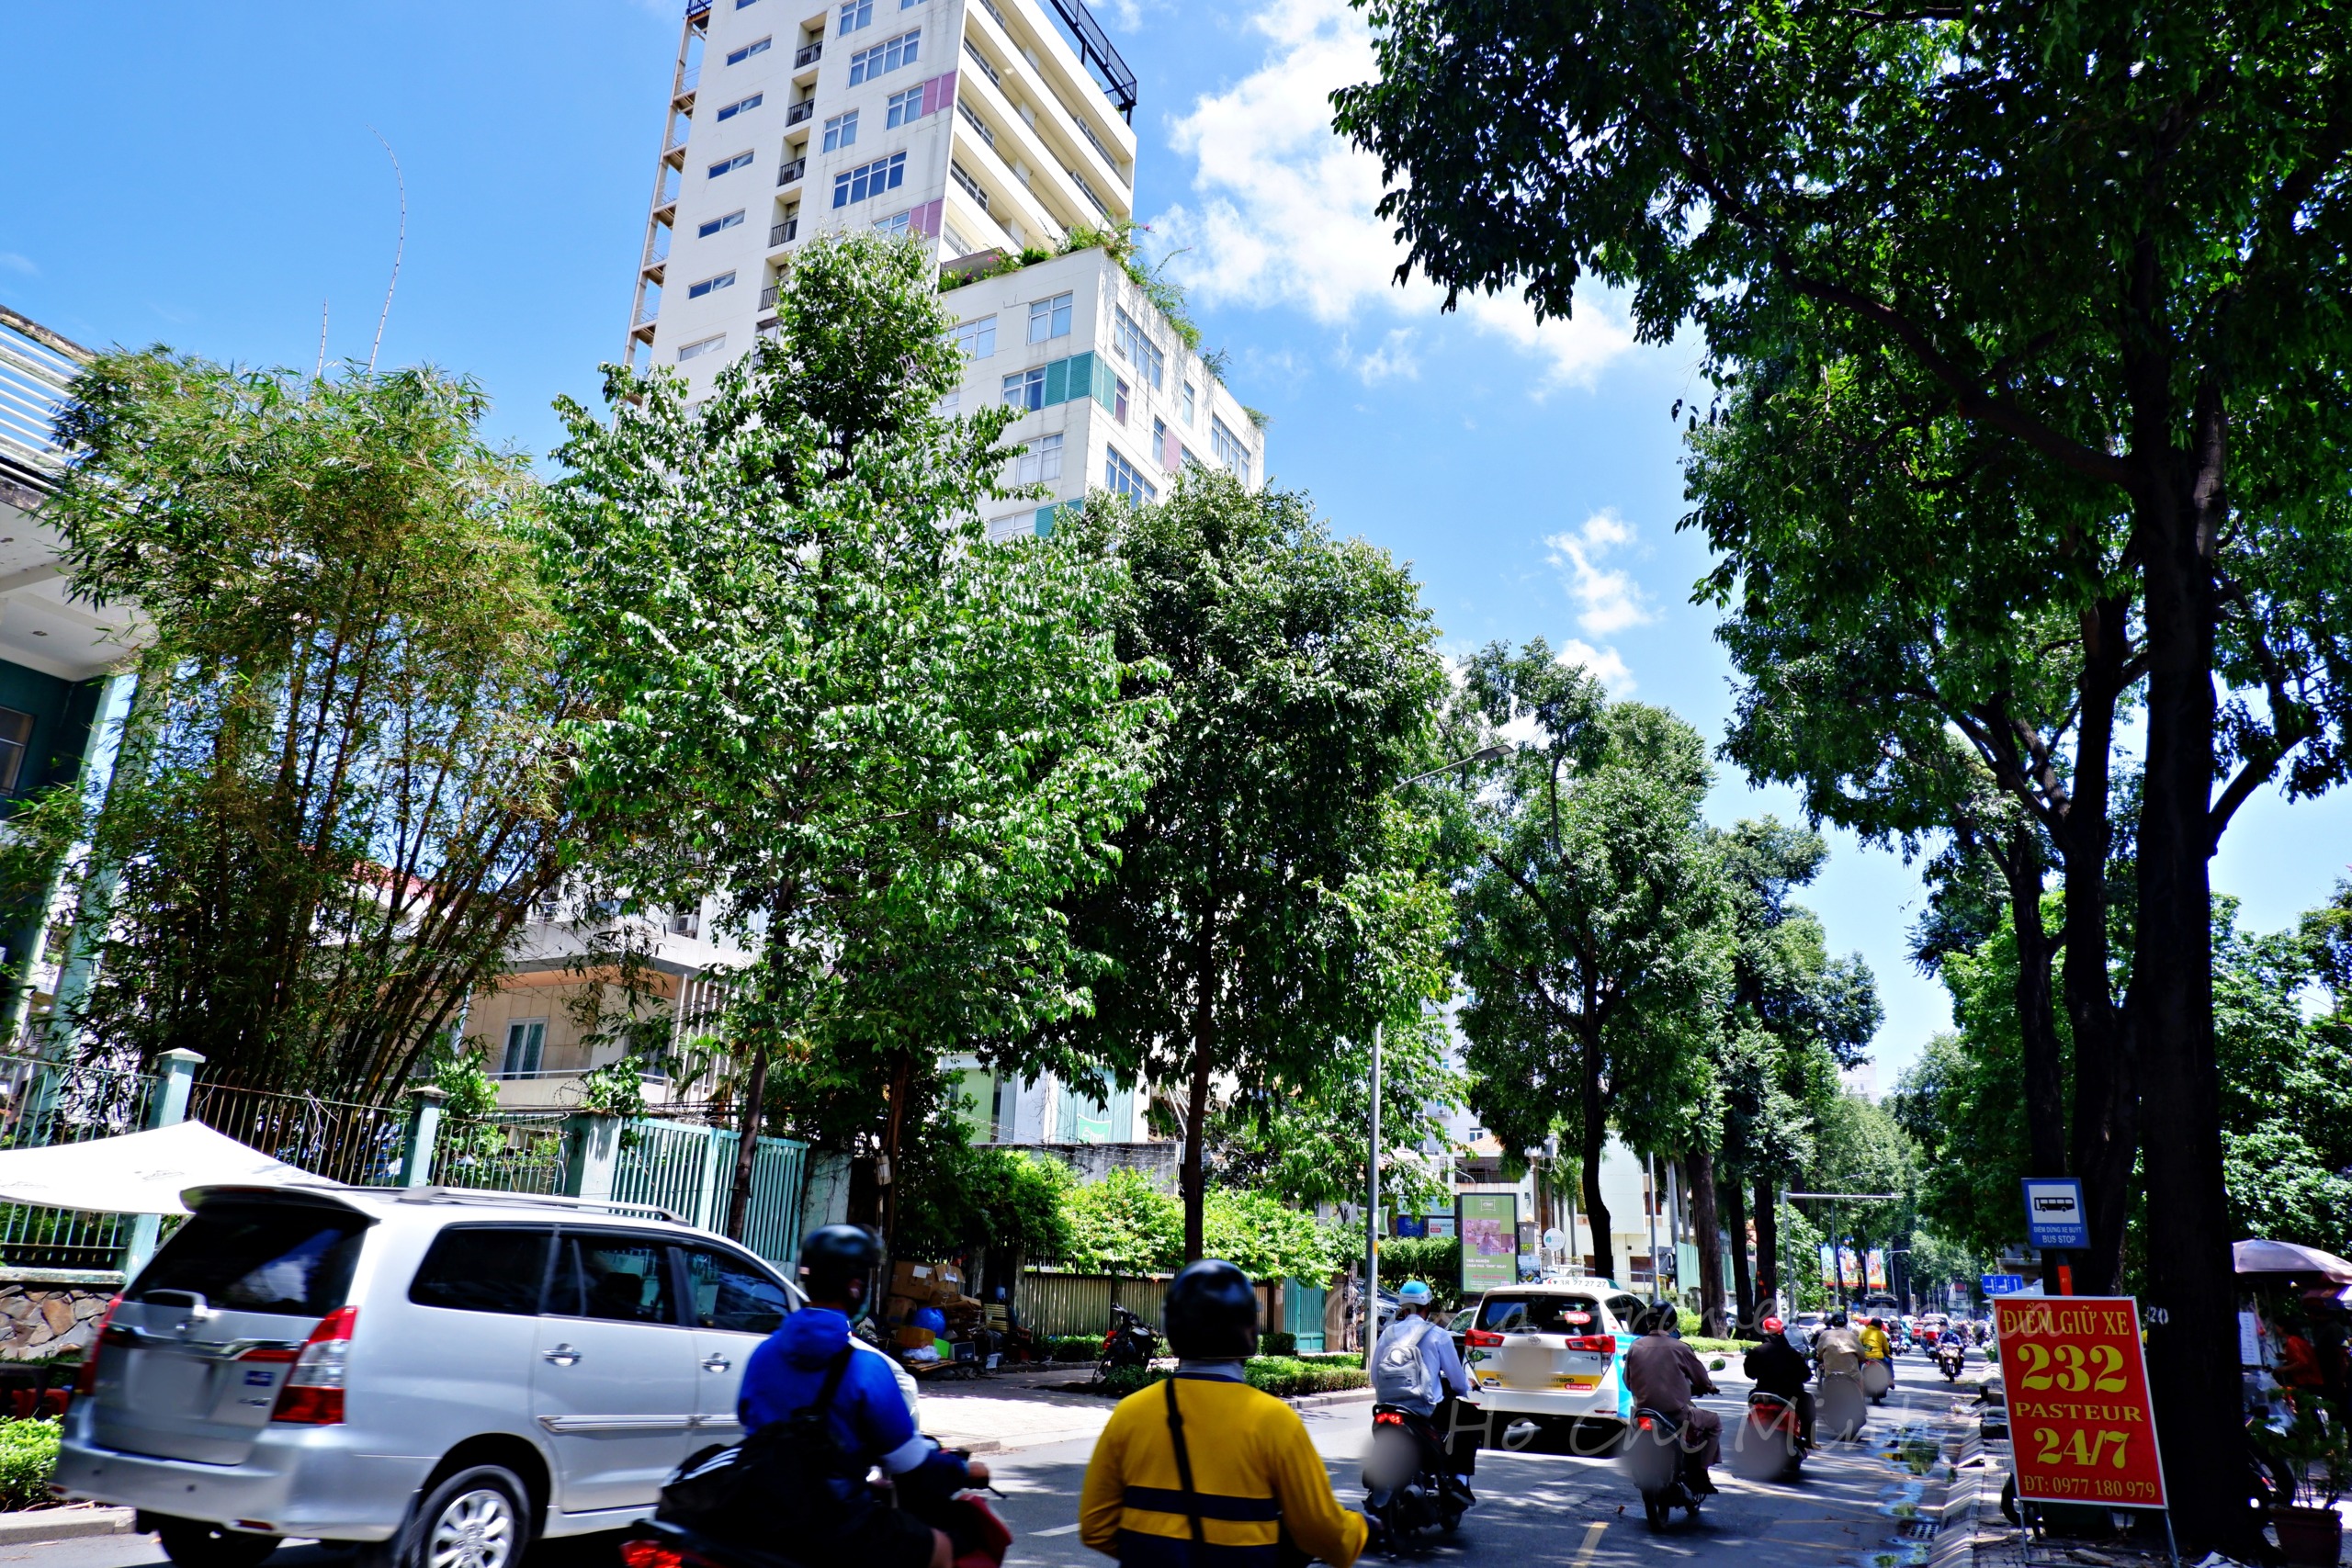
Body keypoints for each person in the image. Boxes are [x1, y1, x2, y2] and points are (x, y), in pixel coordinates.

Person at [1080, 1259, 1368, 1566]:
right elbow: (1321, 1533)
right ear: (1248, 1331)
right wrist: (1362, 1530)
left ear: (1175, 1330)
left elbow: (1095, 1525)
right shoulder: (1273, 1421)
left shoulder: (1131, 1414)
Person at [736, 1226, 987, 1568]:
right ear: (856, 1285)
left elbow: (748, 1419)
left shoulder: (762, 1355)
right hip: (833, 1523)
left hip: (762, 1515)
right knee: (940, 1547)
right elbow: (909, 1462)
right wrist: (962, 1469)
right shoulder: (866, 1368)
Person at [1368, 1280, 1476, 1500]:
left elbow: (1374, 1376)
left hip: (1387, 1408)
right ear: (1427, 1306)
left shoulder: (1387, 1334)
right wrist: (1467, 1388)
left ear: (1403, 1308)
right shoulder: (1438, 1335)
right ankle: (1460, 1481)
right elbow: (1456, 1382)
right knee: (1470, 1417)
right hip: (1427, 1410)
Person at [1623, 1305, 1721, 1494]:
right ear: (1673, 1323)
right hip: (1676, 1414)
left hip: (1642, 1412)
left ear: (1648, 1321)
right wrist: (1710, 1387)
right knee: (1714, 1422)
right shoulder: (1681, 1348)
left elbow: (1628, 1382)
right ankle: (1701, 1472)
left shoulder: (1635, 1346)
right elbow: (1701, 1379)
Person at [1742, 1317, 1815, 1447]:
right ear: (1782, 1332)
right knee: (1808, 1401)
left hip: (1763, 1393)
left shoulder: (1757, 1352)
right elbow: (1806, 1375)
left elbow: (1750, 1373)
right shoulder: (1792, 1353)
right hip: (1789, 1395)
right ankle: (1809, 1440)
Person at [1813, 1312, 1863, 1377]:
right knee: (1861, 1380)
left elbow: (1819, 1353)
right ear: (1846, 1323)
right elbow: (1862, 1355)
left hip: (1830, 1375)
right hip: (1851, 1375)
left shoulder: (1824, 1334)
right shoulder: (1852, 1336)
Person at [1859, 1317, 1894, 1384]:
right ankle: (1890, 1380)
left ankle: (1858, 1381)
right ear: (1880, 1325)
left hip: (1866, 1357)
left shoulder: (1864, 1332)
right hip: (1879, 1357)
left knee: (1858, 1365)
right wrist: (1888, 1355)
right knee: (1889, 1363)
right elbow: (1886, 1348)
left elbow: (1859, 1344)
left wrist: (1866, 1349)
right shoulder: (1881, 1334)